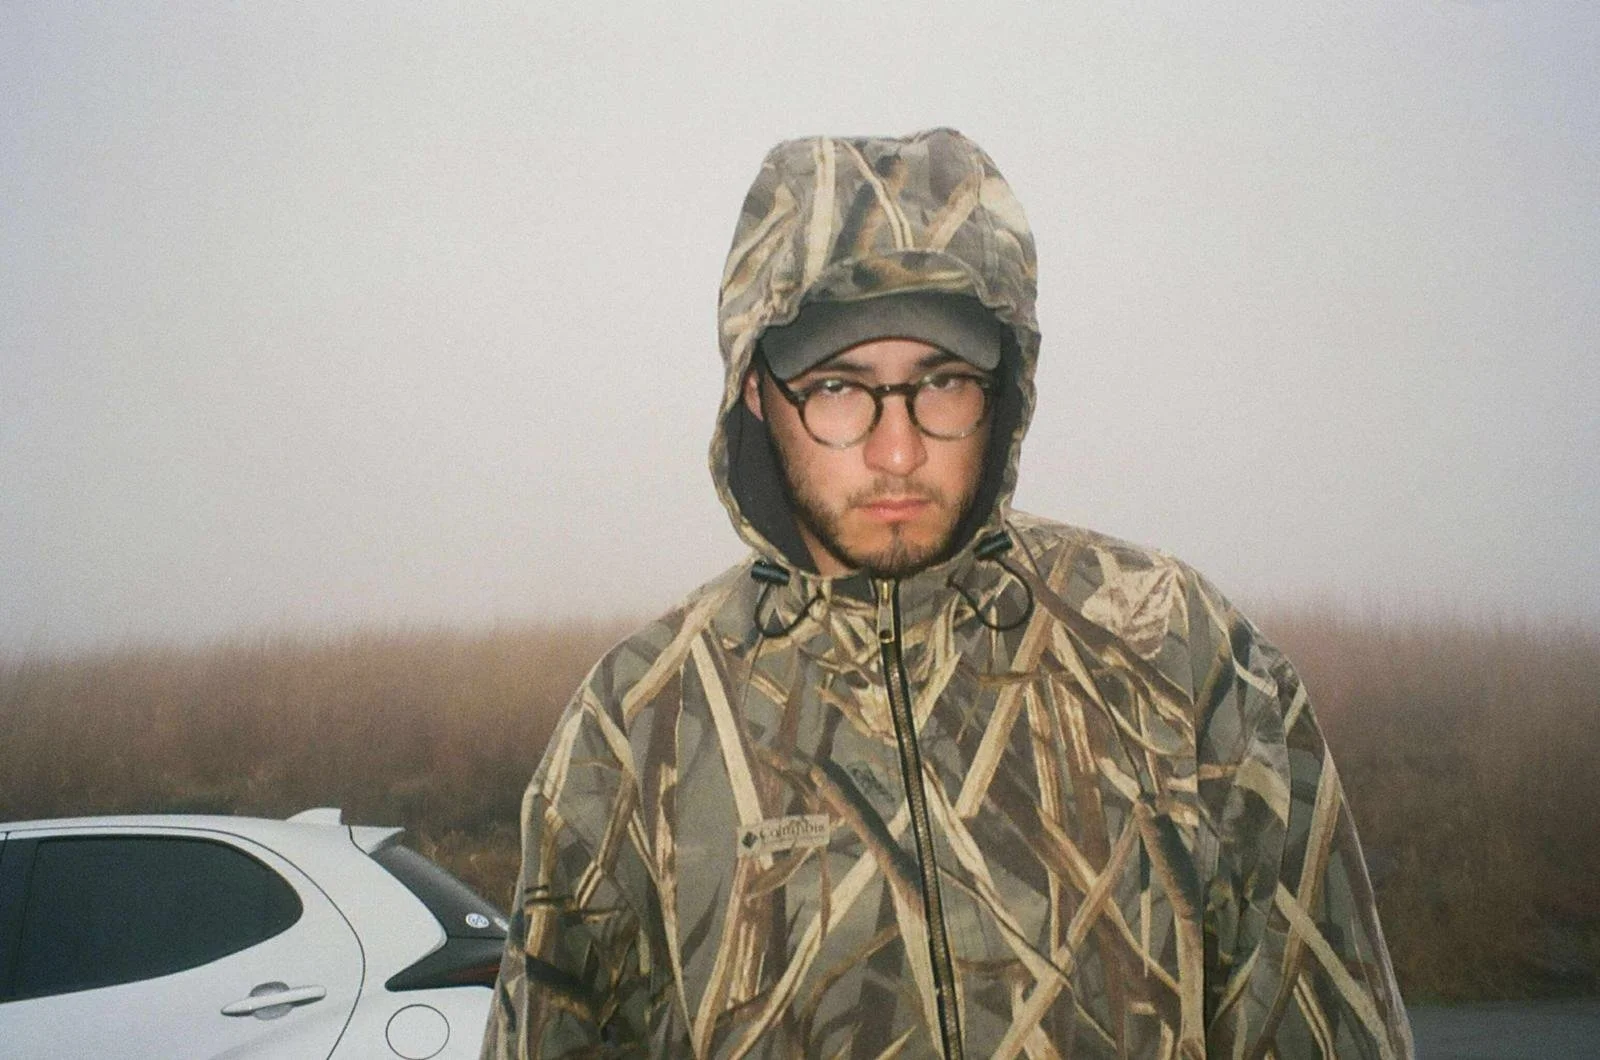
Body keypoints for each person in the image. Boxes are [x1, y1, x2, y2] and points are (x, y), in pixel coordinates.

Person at [482, 128, 1413, 1059]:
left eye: (945, 383)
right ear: (756, 392)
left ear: (1003, 387)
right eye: (837, 388)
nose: (898, 451)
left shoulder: (1174, 650)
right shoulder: (637, 725)